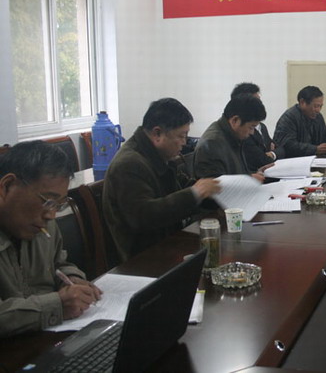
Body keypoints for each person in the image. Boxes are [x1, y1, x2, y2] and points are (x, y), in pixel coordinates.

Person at [0, 141, 102, 337]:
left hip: (47, 336)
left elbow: (58, 264)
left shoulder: (43, 224)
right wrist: (56, 306)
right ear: (7, 186)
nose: (51, 215)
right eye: (47, 201)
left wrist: (72, 280)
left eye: (58, 205)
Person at [103, 98, 221, 263]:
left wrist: (217, 191)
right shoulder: (129, 164)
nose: (184, 142)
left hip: (169, 243)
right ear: (157, 134)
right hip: (143, 259)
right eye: (181, 136)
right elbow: (145, 216)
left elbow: (182, 186)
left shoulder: (158, 155)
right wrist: (195, 193)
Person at [194, 93, 268, 180]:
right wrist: (249, 179)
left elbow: (235, 174)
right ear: (235, 120)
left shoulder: (232, 135)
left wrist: (256, 173)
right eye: (251, 127)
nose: (252, 133)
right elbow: (214, 185)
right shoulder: (212, 144)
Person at [230, 82, 284, 171]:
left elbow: (281, 149)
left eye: (260, 101)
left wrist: (271, 154)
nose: (260, 105)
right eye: (256, 102)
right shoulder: (241, 131)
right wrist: (272, 154)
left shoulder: (262, 127)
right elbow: (262, 161)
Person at [273, 85, 326, 157]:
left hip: (313, 159)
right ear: (302, 102)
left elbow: (325, 137)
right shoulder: (289, 118)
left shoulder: (318, 117)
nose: (318, 110)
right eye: (316, 106)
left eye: (321, 106)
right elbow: (287, 145)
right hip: (293, 160)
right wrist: (315, 149)